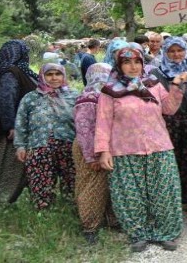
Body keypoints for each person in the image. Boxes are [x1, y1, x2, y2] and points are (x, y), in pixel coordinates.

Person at [95, 46, 186, 252]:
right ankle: (139, 234)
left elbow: (169, 108)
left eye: (137, 61)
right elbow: (102, 123)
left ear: (143, 63)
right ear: (119, 65)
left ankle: (166, 233)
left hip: (159, 146)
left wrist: (176, 87)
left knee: (164, 192)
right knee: (130, 195)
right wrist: (103, 151)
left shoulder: (153, 85)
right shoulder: (109, 92)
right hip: (124, 151)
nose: (133, 66)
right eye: (127, 62)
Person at [149, 37, 187, 226]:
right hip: (168, 123)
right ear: (165, 53)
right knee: (172, 162)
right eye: (171, 51)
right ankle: (173, 200)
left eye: (179, 50)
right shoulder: (157, 74)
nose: (176, 54)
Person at [14, 63, 79, 209]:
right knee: (40, 182)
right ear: (42, 76)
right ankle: (42, 210)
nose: (54, 78)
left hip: (68, 145)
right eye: (49, 74)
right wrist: (20, 146)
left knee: (71, 180)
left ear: (63, 76)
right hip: (39, 146)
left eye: (58, 74)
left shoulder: (74, 96)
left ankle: (70, 209)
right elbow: (21, 123)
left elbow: (83, 122)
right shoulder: (31, 98)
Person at [0, 40, 38, 203]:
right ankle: (2, 201)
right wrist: (11, 126)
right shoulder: (10, 73)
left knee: (14, 166)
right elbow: (6, 100)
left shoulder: (15, 71)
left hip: (13, 126)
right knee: (7, 167)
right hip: (8, 129)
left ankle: (6, 200)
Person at [73, 63, 116, 244]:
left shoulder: (110, 96)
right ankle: (90, 227)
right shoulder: (88, 98)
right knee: (91, 186)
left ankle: (110, 220)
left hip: (107, 147)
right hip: (89, 149)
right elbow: (84, 130)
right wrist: (92, 156)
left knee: (108, 186)